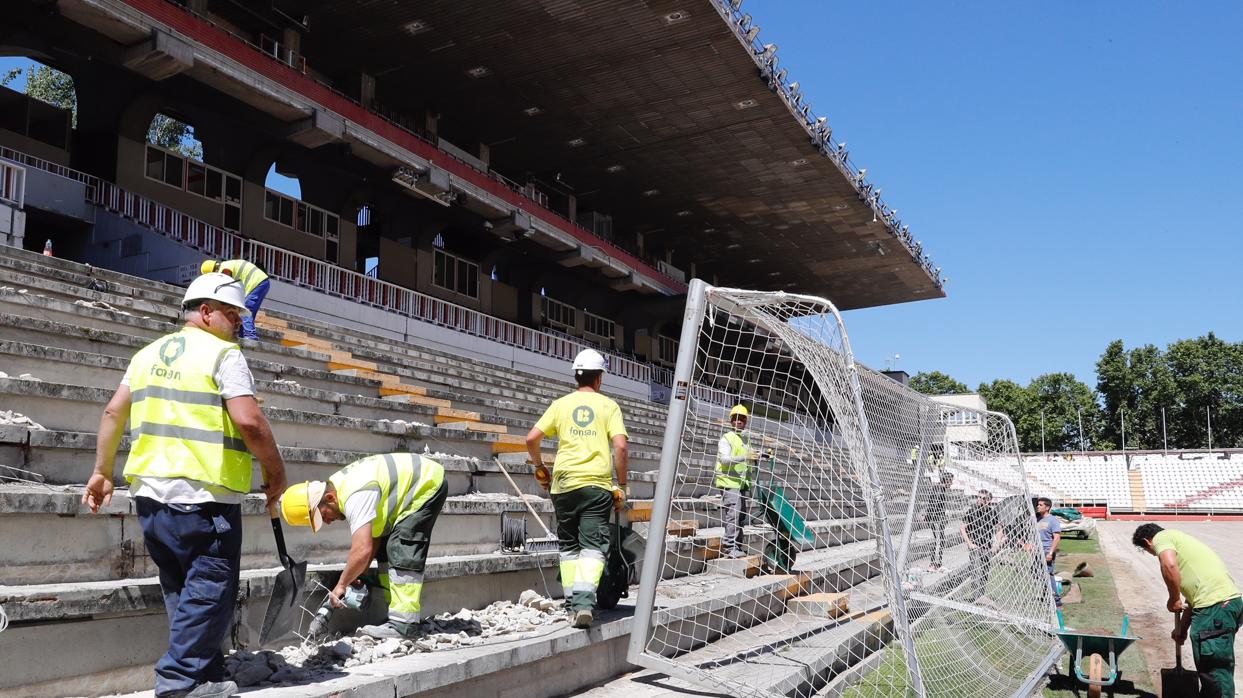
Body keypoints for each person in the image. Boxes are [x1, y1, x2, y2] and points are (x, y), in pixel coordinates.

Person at [82, 272, 287, 698]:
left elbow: (111, 413)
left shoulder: (147, 354)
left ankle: (204, 668)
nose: (238, 324)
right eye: (232, 315)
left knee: (181, 586)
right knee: (210, 586)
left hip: (152, 497)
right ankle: (180, 682)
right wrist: (276, 472)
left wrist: (102, 471)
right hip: (203, 496)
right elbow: (249, 421)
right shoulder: (223, 355)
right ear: (206, 312)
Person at [280, 452, 448, 639]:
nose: (326, 522)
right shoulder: (341, 488)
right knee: (385, 550)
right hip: (412, 486)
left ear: (329, 498)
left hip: (426, 483)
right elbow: (372, 542)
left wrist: (342, 584)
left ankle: (404, 625)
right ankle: (396, 614)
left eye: (322, 515)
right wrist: (360, 571)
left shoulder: (355, 495)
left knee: (402, 546)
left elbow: (362, 549)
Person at [525, 348, 628, 629]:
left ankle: (571, 603)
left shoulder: (561, 405)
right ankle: (584, 603)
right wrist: (622, 485)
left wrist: (539, 467)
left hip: (563, 485)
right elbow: (620, 446)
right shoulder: (609, 406)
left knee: (569, 547)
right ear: (599, 379)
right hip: (595, 485)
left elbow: (531, 438)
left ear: (576, 376)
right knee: (593, 547)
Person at [1133, 523, 1242, 697]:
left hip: (1214, 608)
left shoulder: (1162, 538)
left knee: (1215, 671)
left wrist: (1174, 598)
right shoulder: (1181, 540)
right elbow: (1194, 599)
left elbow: (1169, 566)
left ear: (1147, 542)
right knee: (1213, 666)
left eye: (1150, 552)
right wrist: (1182, 628)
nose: (1155, 554)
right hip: (1225, 605)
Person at [716, 404, 758, 558]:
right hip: (729, 483)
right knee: (733, 515)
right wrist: (745, 457)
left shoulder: (745, 439)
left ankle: (737, 547)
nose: (739, 421)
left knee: (740, 516)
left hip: (741, 484)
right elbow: (725, 460)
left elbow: (748, 457)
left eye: (742, 418)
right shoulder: (726, 438)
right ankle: (729, 548)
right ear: (731, 421)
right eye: (736, 418)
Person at [201, 259, 270, 341]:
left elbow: (227, 286)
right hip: (263, 282)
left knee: (245, 310)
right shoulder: (227, 264)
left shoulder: (224, 269)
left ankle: (250, 337)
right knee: (248, 312)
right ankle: (243, 335)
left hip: (257, 283)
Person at [960, 489, 1000, 600]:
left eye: (982, 498)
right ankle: (976, 599)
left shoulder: (992, 513)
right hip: (976, 547)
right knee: (976, 572)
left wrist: (996, 544)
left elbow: (999, 529)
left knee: (984, 573)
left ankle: (981, 597)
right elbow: (962, 528)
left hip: (987, 548)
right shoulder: (972, 511)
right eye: (978, 497)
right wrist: (969, 543)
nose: (979, 500)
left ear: (989, 500)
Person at [1034, 497, 1063, 607]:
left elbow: (1057, 538)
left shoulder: (1052, 520)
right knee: (1038, 574)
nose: (1038, 506)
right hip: (1038, 551)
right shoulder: (1038, 519)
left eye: (1041, 505)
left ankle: (1056, 599)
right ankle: (1046, 596)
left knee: (1048, 574)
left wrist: (1050, 553)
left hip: (1047, 551)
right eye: (1038, 504)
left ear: (1047, 507)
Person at [924, 470, 953, 572]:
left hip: (937, 519)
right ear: (946, 480)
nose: (952, 483)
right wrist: (938, 517)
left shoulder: (940, 489)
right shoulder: (939, 489)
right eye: (950, 481)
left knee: (940, 540)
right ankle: (934, 564)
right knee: (938, 541)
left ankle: (937, 563)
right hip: (936, 519)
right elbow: (934, 505)